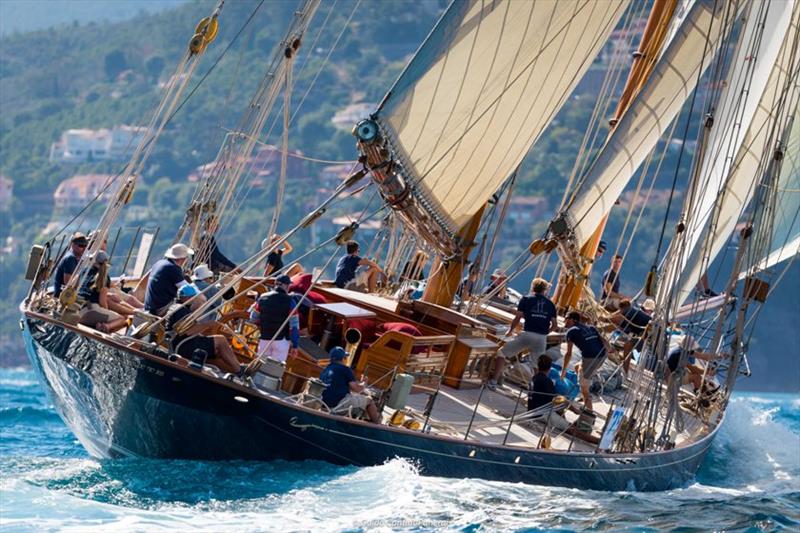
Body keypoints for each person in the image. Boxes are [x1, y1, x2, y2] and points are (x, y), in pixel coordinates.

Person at [489, 278, 557, 390]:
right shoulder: (550, 304)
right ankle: (535, 391)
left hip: (528, 334)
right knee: (538, 367)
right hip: (541, 338)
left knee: (502, 353)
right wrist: (545, 333)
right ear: (545, 290)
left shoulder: (526, 299)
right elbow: (554, 325)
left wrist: (510, 331)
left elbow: (518, 317)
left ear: (533, 287)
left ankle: (493, 381)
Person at [165, 284, 242, 374]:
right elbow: (189, 331)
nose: (195, 299)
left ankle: (236, 367)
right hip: (183, 345)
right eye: (194, 297)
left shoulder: (176, 307)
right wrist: (209, 324)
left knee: (216, 346)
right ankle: (239, 370)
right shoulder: (181, 310)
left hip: (178, 343)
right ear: (187, 298)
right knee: (221, 340)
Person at [562, 311, 611, 412]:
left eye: (566, 319)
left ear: (573, 320)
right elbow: (604, 341)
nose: (564, 321)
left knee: (585, 390)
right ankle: (584, 385)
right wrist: (610, 349)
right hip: (602, 356)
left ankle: (589, 415)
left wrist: (563, 372)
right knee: (577, 367)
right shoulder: (591, 327)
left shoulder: (571, 331)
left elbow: (568, 354)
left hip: (590, 359)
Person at [320, 346, 380, 423]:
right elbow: (357, 389)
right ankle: (377, 426)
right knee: (369, 400)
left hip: (323, 404)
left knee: (353, 397)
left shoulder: (326, 369)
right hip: (336, 405)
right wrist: (364, 383)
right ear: (343, 359)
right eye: (345, 358)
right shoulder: (345, 369)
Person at [249, 274, 299, 362]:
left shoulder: (262, 298)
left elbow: (253, 318)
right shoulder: (291, 301)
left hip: (264, 339)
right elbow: (294, 326)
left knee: (260, 366)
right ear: (286, 286)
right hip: (281, 341)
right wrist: (295, 345)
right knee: (274, 370)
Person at [77, 251, 129, 333]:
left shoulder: (85, 271)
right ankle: (105, 326)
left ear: (93, 260)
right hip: (90, 310)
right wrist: (107, 314)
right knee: (122, 319)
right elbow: (102, 302)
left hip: (76, 309)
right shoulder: (105, 277)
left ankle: (100, 325)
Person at [144, 243, 193, 316]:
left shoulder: (159, 263)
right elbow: (188, 290)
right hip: (160, 308)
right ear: (183, 259)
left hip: (150, 307)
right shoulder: (173, 268)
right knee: (194, 299)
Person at [610, 298, 654, 372]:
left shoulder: (631, 312)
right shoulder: (636, 314)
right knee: (625, 346)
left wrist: (604, 320)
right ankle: (623, 367)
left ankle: (624, 371)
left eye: (648, 310)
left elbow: (618, 321)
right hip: (639, 335)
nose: (645, 311)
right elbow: (623, 326)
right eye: (644, 309)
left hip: (647, 336)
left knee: (627, 346)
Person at [53, 232, 88, 297]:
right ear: (73, 245)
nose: (84, 248)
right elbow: (68, 283)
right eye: (81, 245)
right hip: (64, 295)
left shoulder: (74, 257)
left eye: (86, 246)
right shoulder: (70, 258)